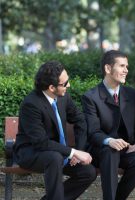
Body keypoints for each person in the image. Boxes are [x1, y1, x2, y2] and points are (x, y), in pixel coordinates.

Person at [13, 61, 97, 200]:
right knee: (54, 158)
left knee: (87, 172)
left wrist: (78, 151)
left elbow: (80, 120)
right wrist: (73, 152)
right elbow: (41, 143)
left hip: (58, 153)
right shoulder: (31, 104)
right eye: (65, 83)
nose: (69, 85)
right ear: (51, 87)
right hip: (31, 153)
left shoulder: (63, 97)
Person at [82, 50, 135, 200]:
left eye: (127, 66)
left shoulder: (133, 94)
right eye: (122, 66)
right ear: (108, 69)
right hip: (101, 151)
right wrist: (110, 141)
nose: (126, 70)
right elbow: (93, 132)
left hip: (126, 150)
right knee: (110, 153)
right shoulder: (90, 97)